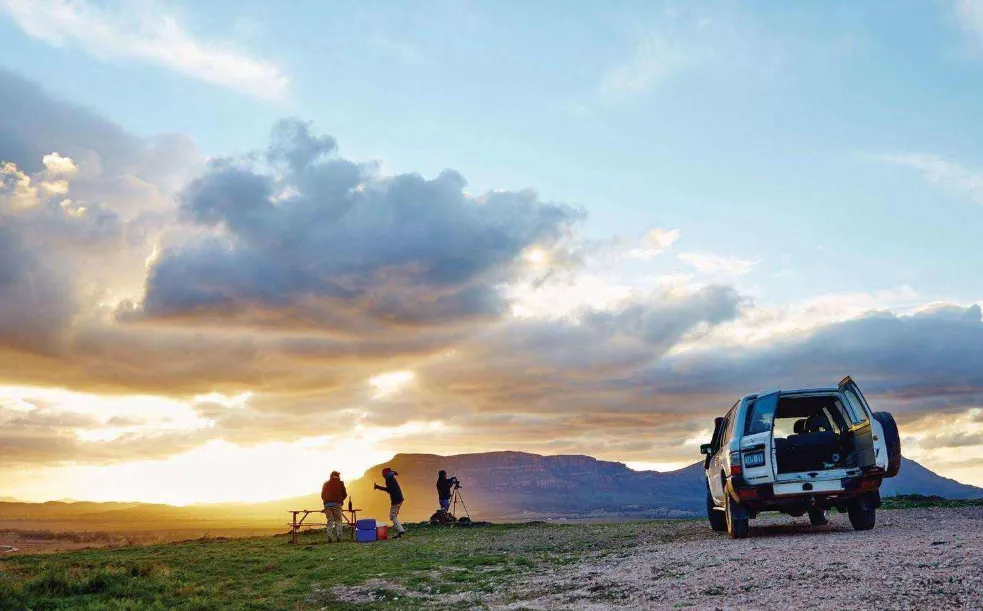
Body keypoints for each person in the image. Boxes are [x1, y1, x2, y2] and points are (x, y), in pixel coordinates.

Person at [373, 467, 406, 538]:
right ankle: (400, 532)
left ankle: (401, 531)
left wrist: (378, 487)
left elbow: (389, 490)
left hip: (396, 500)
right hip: (399, 499)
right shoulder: (391, 478)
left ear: (385, 474)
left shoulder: (388, 479)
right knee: (394, 516)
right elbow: (390, 489)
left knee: (392, 516)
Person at [321, 471, 347, 543]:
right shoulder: (340, 483)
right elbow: (345, 494)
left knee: (330, 521)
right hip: (337, 504)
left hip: (327, 505)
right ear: (337, 476)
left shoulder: (325, 484)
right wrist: (340, 500)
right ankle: (339, 538)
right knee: (338, 521)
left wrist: (327, 501)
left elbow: (322, 495)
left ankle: (329, 538)